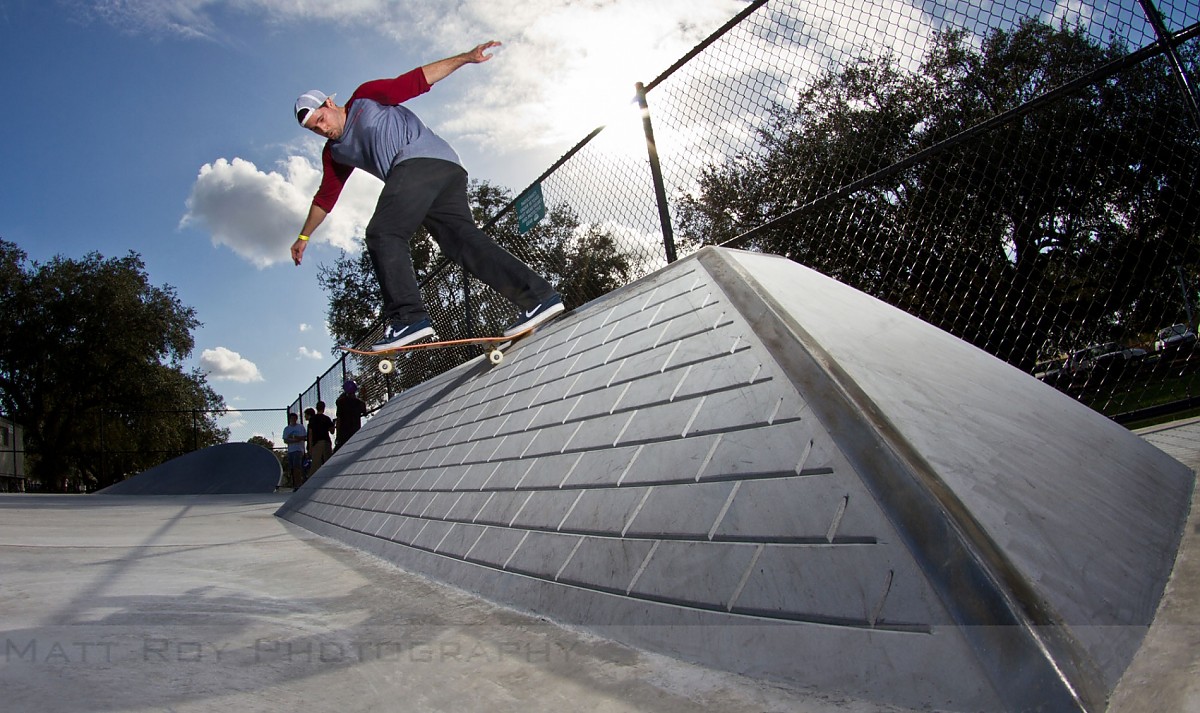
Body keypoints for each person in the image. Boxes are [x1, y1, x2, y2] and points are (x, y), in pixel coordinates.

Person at [290, 40, 564, 352]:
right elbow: (326, 196)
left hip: (419, 162)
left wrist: (465, 58)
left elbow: (416, 81)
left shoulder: (364, 98)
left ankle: (409, 318)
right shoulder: (335, 153)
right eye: (314, 129)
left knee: (383, 232)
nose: (321, 129)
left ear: (329, 103)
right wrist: (304, 236)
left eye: (321, 120)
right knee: (461, 242)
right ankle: (539, 297)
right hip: (444, 173)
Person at [335, 379, 367, 451]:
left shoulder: (341, 402)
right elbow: (365, 412)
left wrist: (337, 435)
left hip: (343, 432)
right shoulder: (359, 403)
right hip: (355, 431)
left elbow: (339, 420)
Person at [306, 402, 335, 475]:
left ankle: (312, 482)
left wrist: (310, 447)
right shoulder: (326, 418)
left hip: (317, 443)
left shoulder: (313, 419)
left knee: (315, 465)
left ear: (316, 408)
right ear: (324, 408)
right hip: (326, 441)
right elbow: (332, 431)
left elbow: (310, 433)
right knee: (327, 464)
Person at [282, 412, 307, 489]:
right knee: (293, 468)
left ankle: (299, 484)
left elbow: (303, 437)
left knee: (297, 467)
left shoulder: (300, 427)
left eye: (294, 418)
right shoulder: (287, 429)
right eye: (291, 418)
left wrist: (294, 437)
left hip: (298, 450)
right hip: (291, 451)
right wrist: (295, 440)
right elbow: (285, 440)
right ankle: (295, 484)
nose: (293, 420)